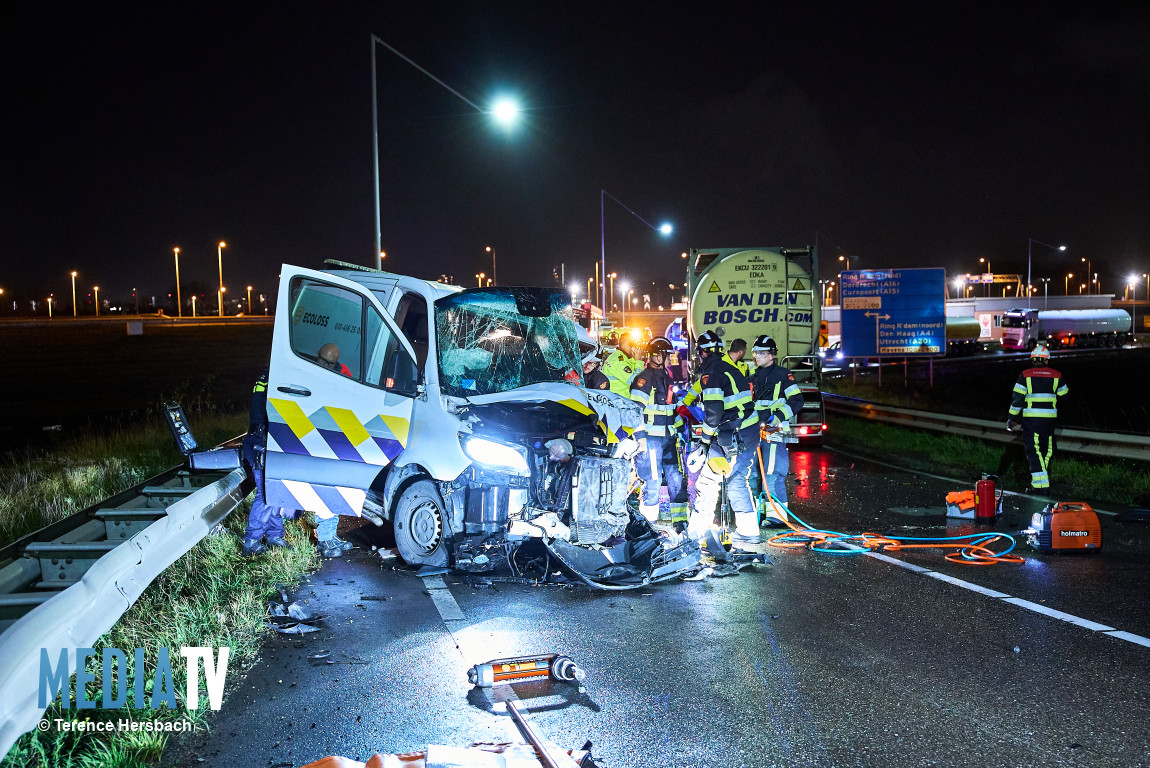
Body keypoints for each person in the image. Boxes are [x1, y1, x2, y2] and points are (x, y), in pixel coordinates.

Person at [684, 330, 760, 545]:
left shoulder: (712, 374)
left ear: (702, 353)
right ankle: (748, 531)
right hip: (748, 431)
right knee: (736, 480)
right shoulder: (727, 367)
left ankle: (695, 536)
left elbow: (714, 413)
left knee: (708, 482)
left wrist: (704, 442)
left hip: (735, 435)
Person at [629, 337, 687, 525]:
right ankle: (648, 525)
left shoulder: (666, 378)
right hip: (651, 440)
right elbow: (634, 411)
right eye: (667, 355)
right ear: (657, 356)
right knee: (652, 481)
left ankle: (680, 523)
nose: (670, 359)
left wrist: (682, 430)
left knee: (676, 478)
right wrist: (640, 437)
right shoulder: (644, 379)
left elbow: (671, 410)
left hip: (669, 438)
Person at [749, 335, 804, 524]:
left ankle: (776, 517)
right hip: (754, 433)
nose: (757, 356)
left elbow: (797, 400)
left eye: (762, 353)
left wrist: (778, 417)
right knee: (754, 475)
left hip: (774, 432)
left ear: (772, 355)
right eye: (755, 352)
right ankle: (760, 514)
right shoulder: (752, 377)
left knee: (771, 474)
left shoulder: (783, 375)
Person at [241, 370, 291, 556]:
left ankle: (274, 536)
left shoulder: (266, 377)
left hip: (264, 441)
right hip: (262, 443)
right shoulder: (276, 379)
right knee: (267, 493)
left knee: (275, 491)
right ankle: (251, 540)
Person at [1007, 343, 1068, 492]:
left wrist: (1012, 418)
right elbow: (1064, 397)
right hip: (1049, 421)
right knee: (1046, 451)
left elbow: (1017, 400)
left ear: (1033, 360)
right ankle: (1040, 483)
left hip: (1032, 420)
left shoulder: (1025, 375)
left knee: (1034, 451)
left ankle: (1041, 485)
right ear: (1047, 360)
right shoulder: (1057, 375)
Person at [602, 331, 643, 397]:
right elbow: (637, 383)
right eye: (635, 345)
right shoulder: (619, 361)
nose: (637, 348)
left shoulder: (622, 358)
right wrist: (639, 361)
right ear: (630, 345)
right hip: (619, 402)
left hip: (619, 400)